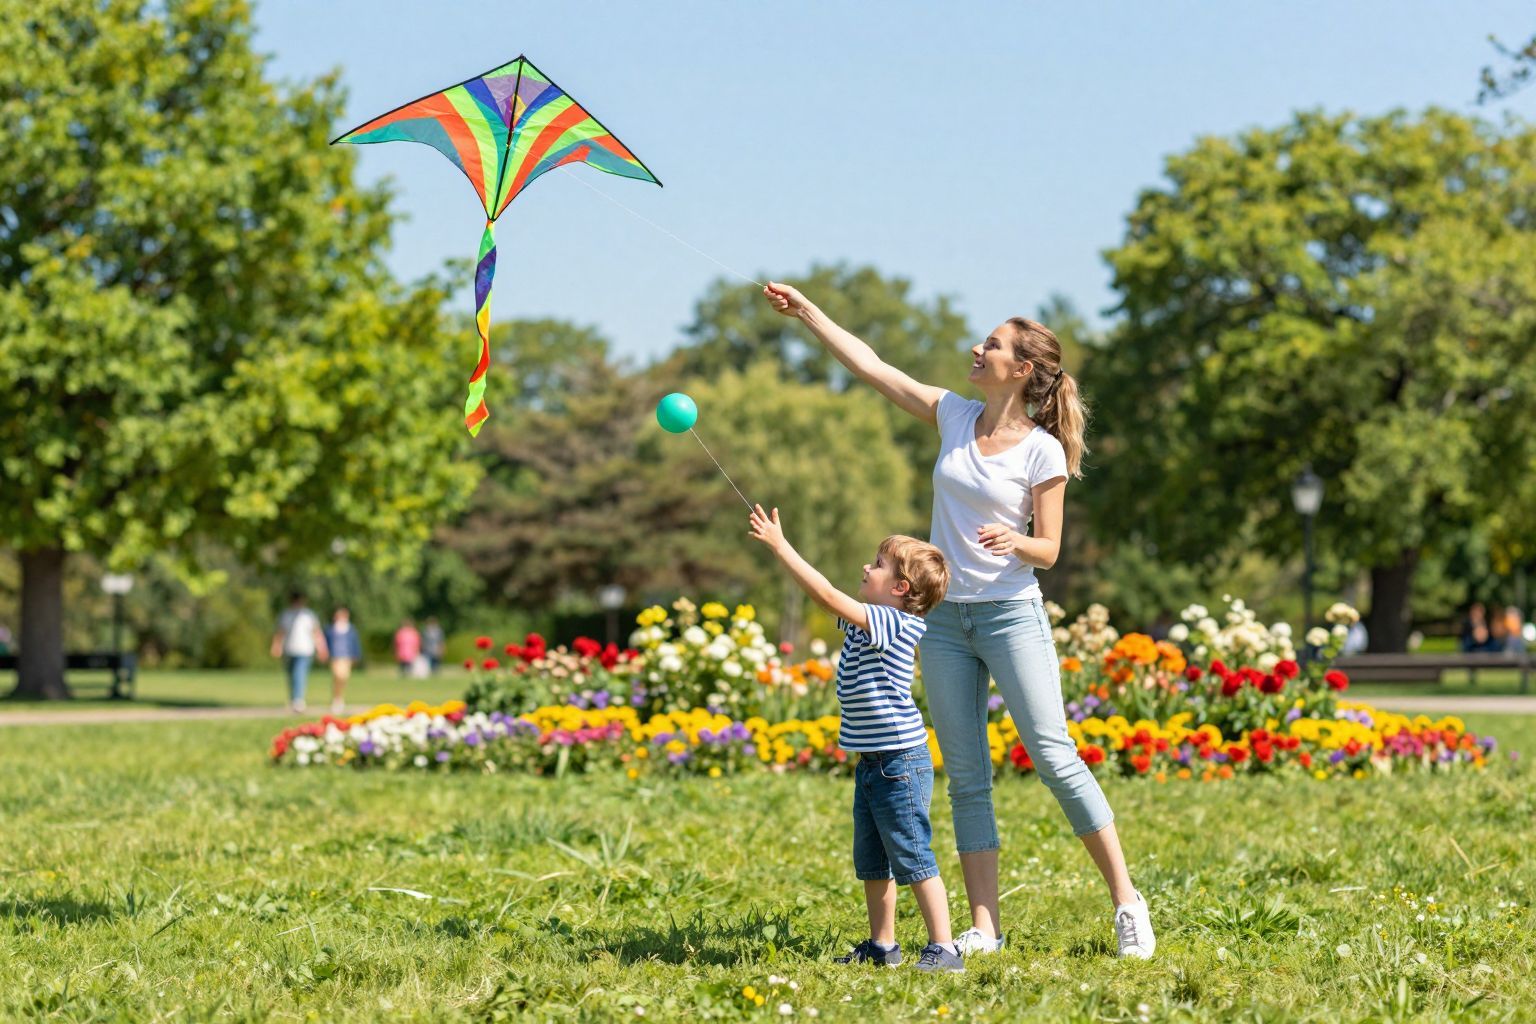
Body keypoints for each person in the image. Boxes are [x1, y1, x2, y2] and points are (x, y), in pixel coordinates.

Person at [764, 282, 1154, 958]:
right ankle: (984, 927)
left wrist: (1015, 541)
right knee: (968, 776)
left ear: (1021, 369)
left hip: (1010, 616)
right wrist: (808, 313)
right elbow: (872, 366)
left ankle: (1127, 902)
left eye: (992, 345)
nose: (977, 349)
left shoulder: (1042, 450)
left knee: (1054, 756)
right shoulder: (953, 416)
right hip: (944, 625)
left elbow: (1050, 549)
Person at [748, 503, 963, 972]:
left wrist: (781, 547)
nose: (867, 567)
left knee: (912, 853)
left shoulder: (896, 622)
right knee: (873, 859)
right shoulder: (869, 620)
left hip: (899, 763)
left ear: (900, 589)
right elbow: (826, 599)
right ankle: (883, 946)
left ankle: (945, 947)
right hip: (873, 763)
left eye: (878, 564)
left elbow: (827, 596)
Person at [271, 591, 328, 714]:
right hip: (289, 649)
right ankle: (293, 699)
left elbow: (316, 632)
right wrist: (277, 646)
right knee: (291, 675)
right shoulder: (286, 614)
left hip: (305, 650)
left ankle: (298, 700)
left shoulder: (308, 615)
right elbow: (280, 632)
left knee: (299, 673)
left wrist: (322, 648)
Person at [324, 607, 363, 716]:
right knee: (338, 676)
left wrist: (356, 655)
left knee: (344, 677)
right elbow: (326, 643)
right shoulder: (330, 629)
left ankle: (339, 697)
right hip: (335, 656)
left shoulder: (351, 629)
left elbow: (355, 643)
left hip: (347, 656)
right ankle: (336, 698)